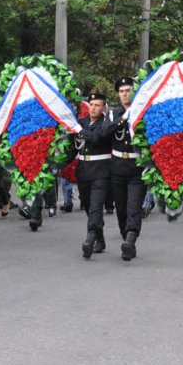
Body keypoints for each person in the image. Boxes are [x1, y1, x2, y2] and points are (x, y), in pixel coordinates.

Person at [106, 77, 147, 261]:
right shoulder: (113, 114)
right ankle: (126, 238)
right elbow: (103, 133)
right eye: (121, 91)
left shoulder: (143, 112)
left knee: (133, 207)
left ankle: (131, 238)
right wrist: (122, 120)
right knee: (121, 208)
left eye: (128, 90)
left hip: (137, 167)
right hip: (117, 167)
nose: (125, 94)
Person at [75, 93, 113, 259]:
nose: (93, 108)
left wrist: (82, 133)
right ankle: (100, 237)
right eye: (91, 104)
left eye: (97, 105)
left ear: (103, 108)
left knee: (96, 206)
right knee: (89, 207)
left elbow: (98, 138)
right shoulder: (81, 123)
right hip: (84, 170)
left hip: (101, 171)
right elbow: (73, 146)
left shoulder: (107, 124)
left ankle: (90, 238)